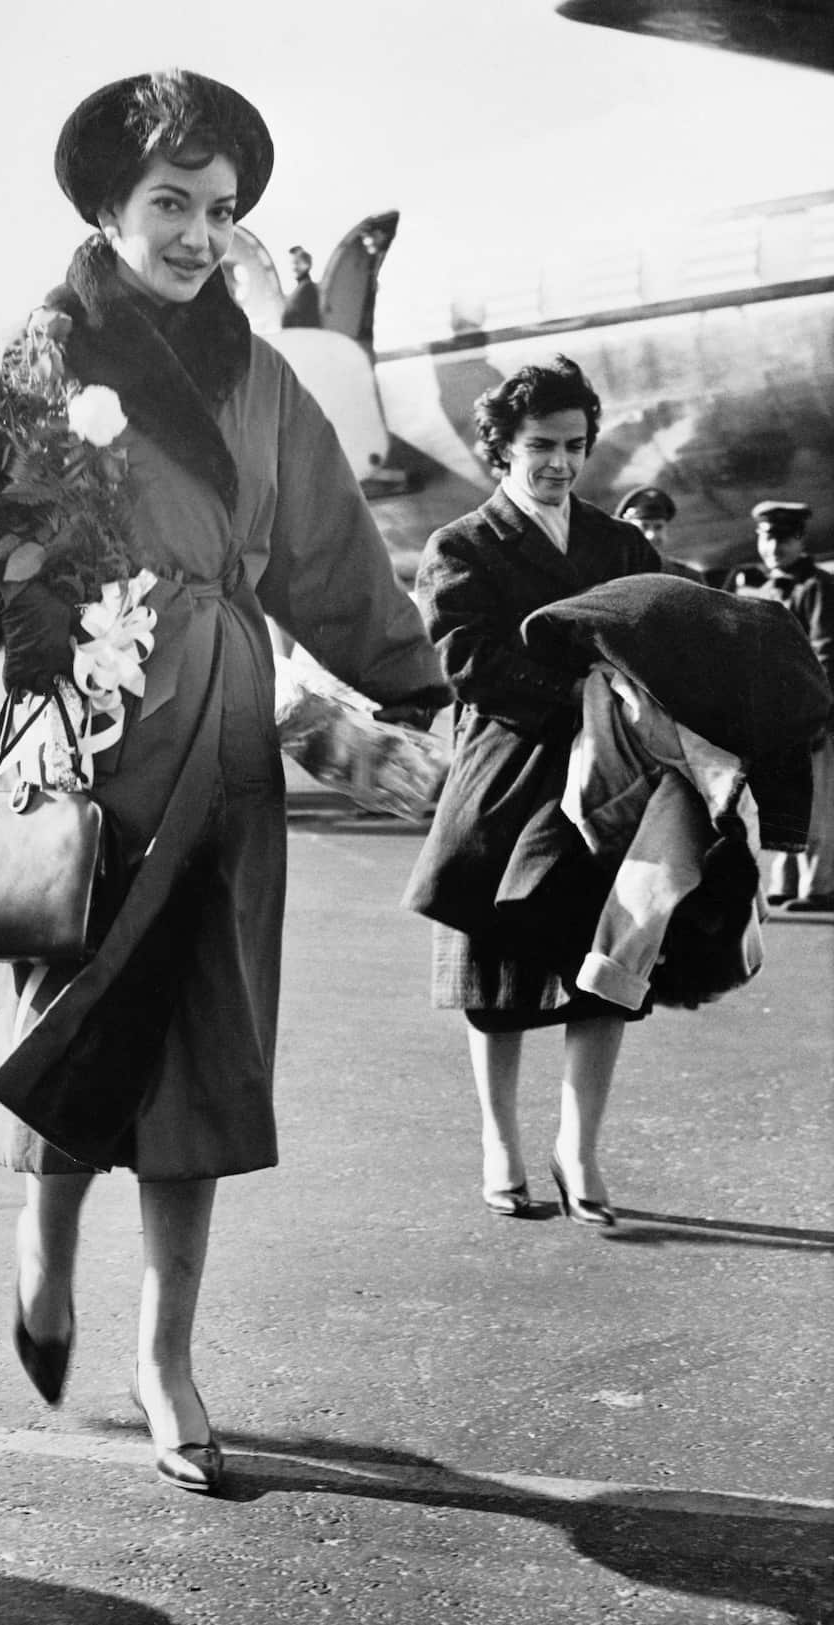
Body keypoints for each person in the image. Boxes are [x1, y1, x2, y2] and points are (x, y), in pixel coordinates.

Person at [0, 69, 447, 1493]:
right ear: (105, 206)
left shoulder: (262, 378)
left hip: (223, 735)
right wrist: (10, 618)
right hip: (75, 739)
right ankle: (44, 1243)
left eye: (222, 208)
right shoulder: (24, 366)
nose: (202, 234)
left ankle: (166, 1357)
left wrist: (417, 688)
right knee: (67, 1018)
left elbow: (328, 553)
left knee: (205, 1047)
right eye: (171, 203)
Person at [406, 356, 660, 1227]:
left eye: (575, 445)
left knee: (607, 969)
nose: (560, 462)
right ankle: (500, 1141)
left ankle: (579, 1148)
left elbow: (662, 632)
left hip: (609, 779)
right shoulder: (462, 546)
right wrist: (584, 690)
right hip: (507, 778)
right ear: (502, 448)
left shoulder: (620, 545)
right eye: (542, 445)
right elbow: (469, 663)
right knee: (495, 976)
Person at [752, 500, 834, 911]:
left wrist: (815, 711)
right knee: (786, 796)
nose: (775, 547)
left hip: (813, 712)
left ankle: (820, 887)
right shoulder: (769, 588)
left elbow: (825, 653)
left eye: (785, 539)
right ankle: (785, 881)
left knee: (817, 802)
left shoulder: (818, 586)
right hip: (780, 714)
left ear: (801, 541)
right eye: (768, 538)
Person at [614, 486, 705, 582]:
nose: (651, 535)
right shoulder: (609, 572)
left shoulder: (687, 576)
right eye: (644, 526)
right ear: (626, 530)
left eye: (658, 527)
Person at [280, 245, 321, 329]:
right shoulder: (299, 290)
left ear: (307, 265)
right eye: (292, 263)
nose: (293, 268)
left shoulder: (307, 289)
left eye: (296, 263)